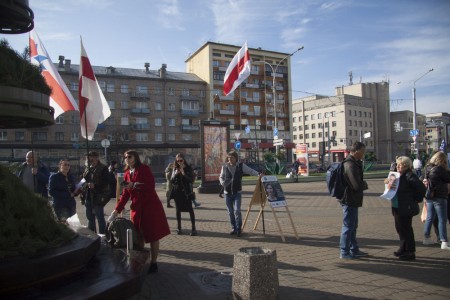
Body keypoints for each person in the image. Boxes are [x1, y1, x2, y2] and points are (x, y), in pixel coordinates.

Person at [109, 150, 170, 274]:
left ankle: (154, 263)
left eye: (129, 156)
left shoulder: (144, 169)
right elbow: (125, 195)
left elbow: (151, 185)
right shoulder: (126, 174)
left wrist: (134, 185)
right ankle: (140, 260)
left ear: (135, 158)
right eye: (125, 157)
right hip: (136, 209)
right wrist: (116, 210)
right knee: (138, 235)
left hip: (150, 207)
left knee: (153, 235)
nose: (127, 159)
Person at [390, 156, 426, 261]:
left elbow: (421, 188)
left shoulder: (409, 176)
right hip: (397, 205)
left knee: (406, 229)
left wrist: (416, 199)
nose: (397, 167)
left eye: (400, 165)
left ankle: (410, 251)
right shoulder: (398, 175)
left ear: (406, 166)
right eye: (397, 165)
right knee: (400, 228)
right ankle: (403, 248)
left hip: (406, 207)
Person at [219, 150, 260, 237]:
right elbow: (221, 176)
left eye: (232, 157)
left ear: (236, 158)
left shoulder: (240, 166)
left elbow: (250, 171)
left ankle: (238, 229)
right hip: (227, 193)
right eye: (229, 157)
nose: (230, 159)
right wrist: (222, 183)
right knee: (230, 212)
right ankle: (233, 228)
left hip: (237, 192)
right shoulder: (225, 166)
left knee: (237, 210)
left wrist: (258, 174)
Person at [339, 142, 369, 259]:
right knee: (348, 226)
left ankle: (353, 249)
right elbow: (356, 185)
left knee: (352, 226)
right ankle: (344, 252)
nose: (363, 154)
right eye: (362, 152)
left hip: (352, 199)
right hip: (349, 199)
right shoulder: (350, 165)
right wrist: (365, 184)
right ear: (356, 151)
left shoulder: (354, 163)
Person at [422, 151, 450, 250]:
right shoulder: (439, 169)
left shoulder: (427, 168)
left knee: (430, 217)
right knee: (442, 219)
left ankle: (426, 238)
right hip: (439, 196)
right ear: (442, 160)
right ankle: (444, 241)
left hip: (429, 196)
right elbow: (448, 178)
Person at [81, 151, 110, 234]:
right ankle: (91, 235)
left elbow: (106, 182)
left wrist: (95, 185)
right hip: (88, 196)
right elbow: (84, 179)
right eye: (88, 157)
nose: (89, 159)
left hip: (98, 196)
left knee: (100, 217)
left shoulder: (103, 168)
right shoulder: (88, 168)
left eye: (91, 157)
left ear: (96, 158)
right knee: (90, 218)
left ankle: (102, 236)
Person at [170, 153, 197, 236]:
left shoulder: (188, 168)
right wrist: (175, 174)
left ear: (183, 160)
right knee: (178, 210)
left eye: (180, 160)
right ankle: (179, 228)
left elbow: (191, 180)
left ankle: (193, 228)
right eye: (177, 160)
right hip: (177, 192)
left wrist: (184, 173)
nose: (179, 162)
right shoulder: (175, 169)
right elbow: (171, 181)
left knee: (190, 210)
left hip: (186, 192)